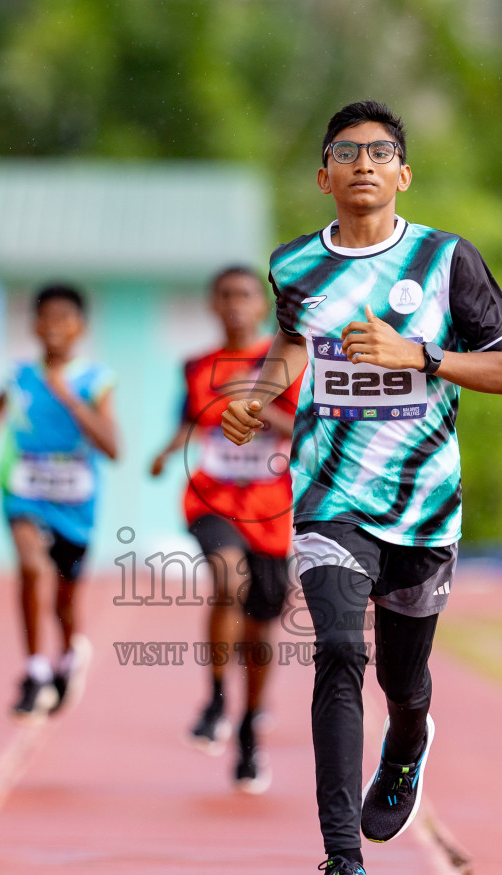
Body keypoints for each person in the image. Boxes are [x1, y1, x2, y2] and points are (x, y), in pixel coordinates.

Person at [221, 100, 502, 875]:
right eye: (346, 152)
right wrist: (259, 392)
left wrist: (418, 355)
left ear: (403, 174)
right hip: (328, 499)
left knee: (403, 679)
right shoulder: (293, 266)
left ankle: (409, 739)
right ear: (323, 175)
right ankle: (342, 869)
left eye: (380, 151)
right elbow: (296, 343)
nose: (363, 163)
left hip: (424, 509)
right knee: (337, 654)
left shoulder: (445, 260)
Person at [150, 266, 305, 795]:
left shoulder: (283, 361)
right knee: (226, 579)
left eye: (245, 296)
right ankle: (216, 699)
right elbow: (187, 419)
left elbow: (309, 428)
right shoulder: (196, 365)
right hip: (211, 500)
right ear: (213, 306)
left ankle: (248, 727)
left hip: (270, 510)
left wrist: (256, 402)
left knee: (262, 625)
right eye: (225, 297)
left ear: (261, 307)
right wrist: (167, 451)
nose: (235, 305)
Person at [0, 283, 121, 718]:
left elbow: (113, 447)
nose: (54, 327)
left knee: (65, 602)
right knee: (32, 566)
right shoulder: (18, 374)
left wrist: (70, 398)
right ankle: (36, 671)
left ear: (80, 327)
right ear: (34, 325)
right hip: (24, 486)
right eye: (46, 318)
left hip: (75, 498)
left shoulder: (96, 380)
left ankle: (70, 654)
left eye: (64, 319)